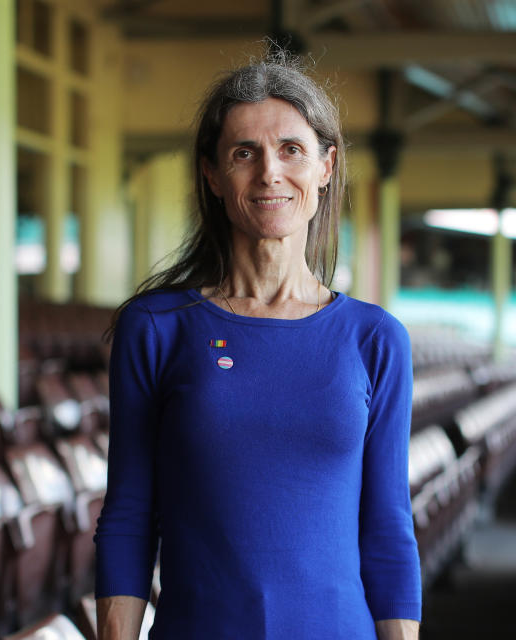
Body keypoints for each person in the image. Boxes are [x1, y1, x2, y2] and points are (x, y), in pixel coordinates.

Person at [95, 53, 421, 640]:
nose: (269, 172)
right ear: (213, 176)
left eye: (291, 150)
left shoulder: (375, 339)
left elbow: (388, 527)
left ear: (326, 166)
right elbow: (129, 514)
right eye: (244, 152)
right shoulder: (156, 328)